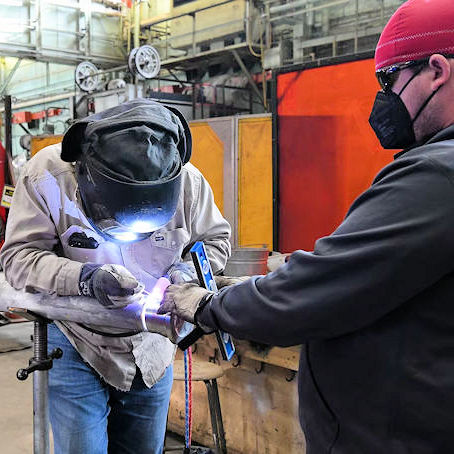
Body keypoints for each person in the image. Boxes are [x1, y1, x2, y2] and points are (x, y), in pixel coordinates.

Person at [158, 0, 454, 452]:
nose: (384, 100)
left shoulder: (437, 174)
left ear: (437, 70)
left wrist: (206, 304)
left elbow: (313, 293)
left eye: (388, 81)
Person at [0, 99, 231, 454]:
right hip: (77, 341)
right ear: (85, 177)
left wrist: (186, 273)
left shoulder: (189, 184)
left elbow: (216, 240)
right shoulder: (48, 176)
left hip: (151, 344)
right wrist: (84, 278)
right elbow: (18, 258)